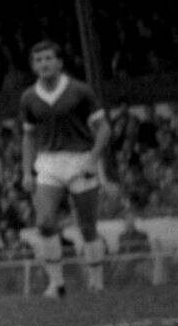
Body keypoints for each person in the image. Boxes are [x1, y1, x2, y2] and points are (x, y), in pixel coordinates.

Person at [18, 37, 113, 297]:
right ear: (33, 65)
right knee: (45, 222)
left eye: (49, 58)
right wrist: (27, 171)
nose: (44, 63)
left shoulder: (80, 90)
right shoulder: (28, 97)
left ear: (59, 62)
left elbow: (104, 128)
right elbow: (28, 135)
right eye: (38, 60)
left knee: (87, 227)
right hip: (48, 162)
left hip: (80, 159)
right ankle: (56, 283)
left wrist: (93, 158)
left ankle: (96, 281)